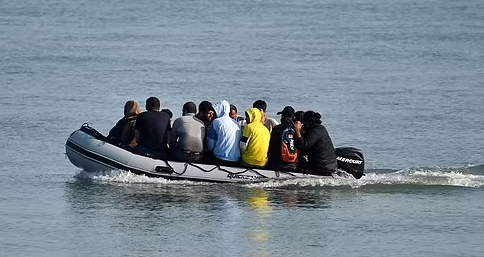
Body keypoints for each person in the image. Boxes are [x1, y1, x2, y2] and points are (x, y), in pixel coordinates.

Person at [294, 111, 337, 175]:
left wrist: (297, 131)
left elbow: (302, 146)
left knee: (298, 162)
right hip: (330, 166)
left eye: (303, 122)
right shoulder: (320, 129)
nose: (302, 124)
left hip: (322, 168)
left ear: (307, 122)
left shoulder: (314, 132)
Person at [207, 100, 241, 165]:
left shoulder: (216, 122)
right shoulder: (237, 124)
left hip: (220, 158)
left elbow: (210, 146)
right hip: (236, 159)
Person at [267, 106, 298, 170]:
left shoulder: (277, 129)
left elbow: (271, 148)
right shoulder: (296, 130)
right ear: (293, 117)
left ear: (283, 116)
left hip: (278, 164)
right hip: (293, 165)